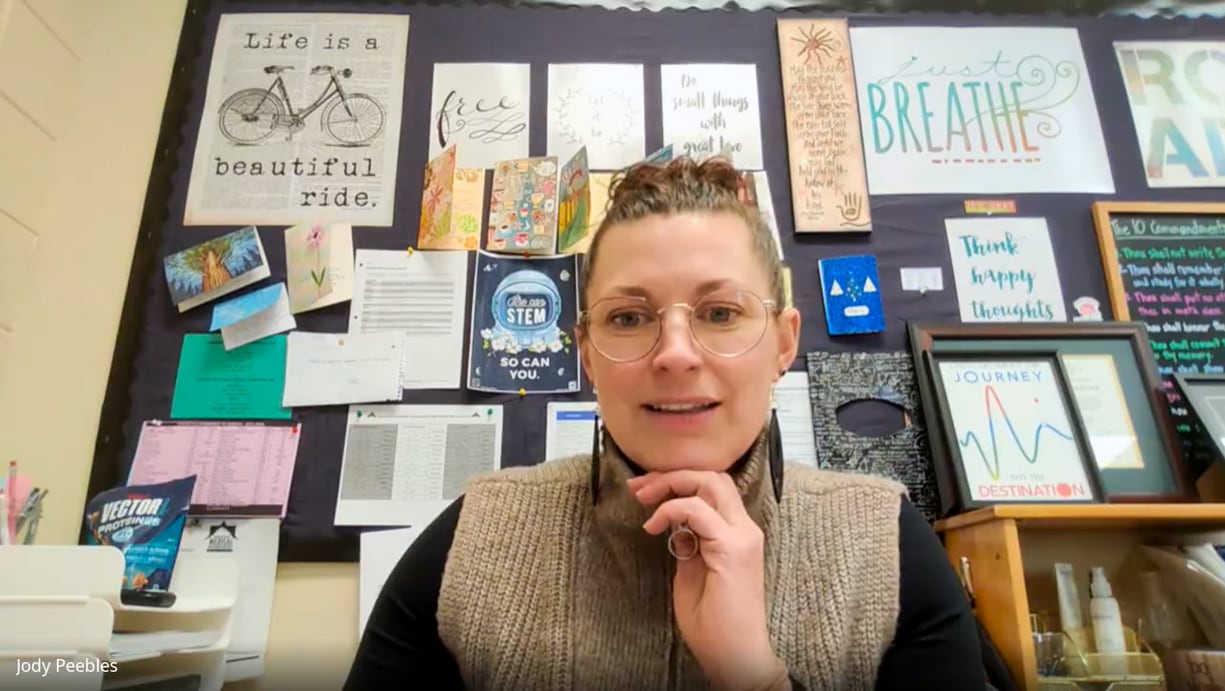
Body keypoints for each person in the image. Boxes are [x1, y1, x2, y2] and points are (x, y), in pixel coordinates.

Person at [344, 157, 986, 690]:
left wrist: (755, 679)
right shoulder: (477, 538)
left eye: (720, 312)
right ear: (589, 354)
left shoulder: (883, 545)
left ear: (784, 345)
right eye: (628, 318)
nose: (676, 352)